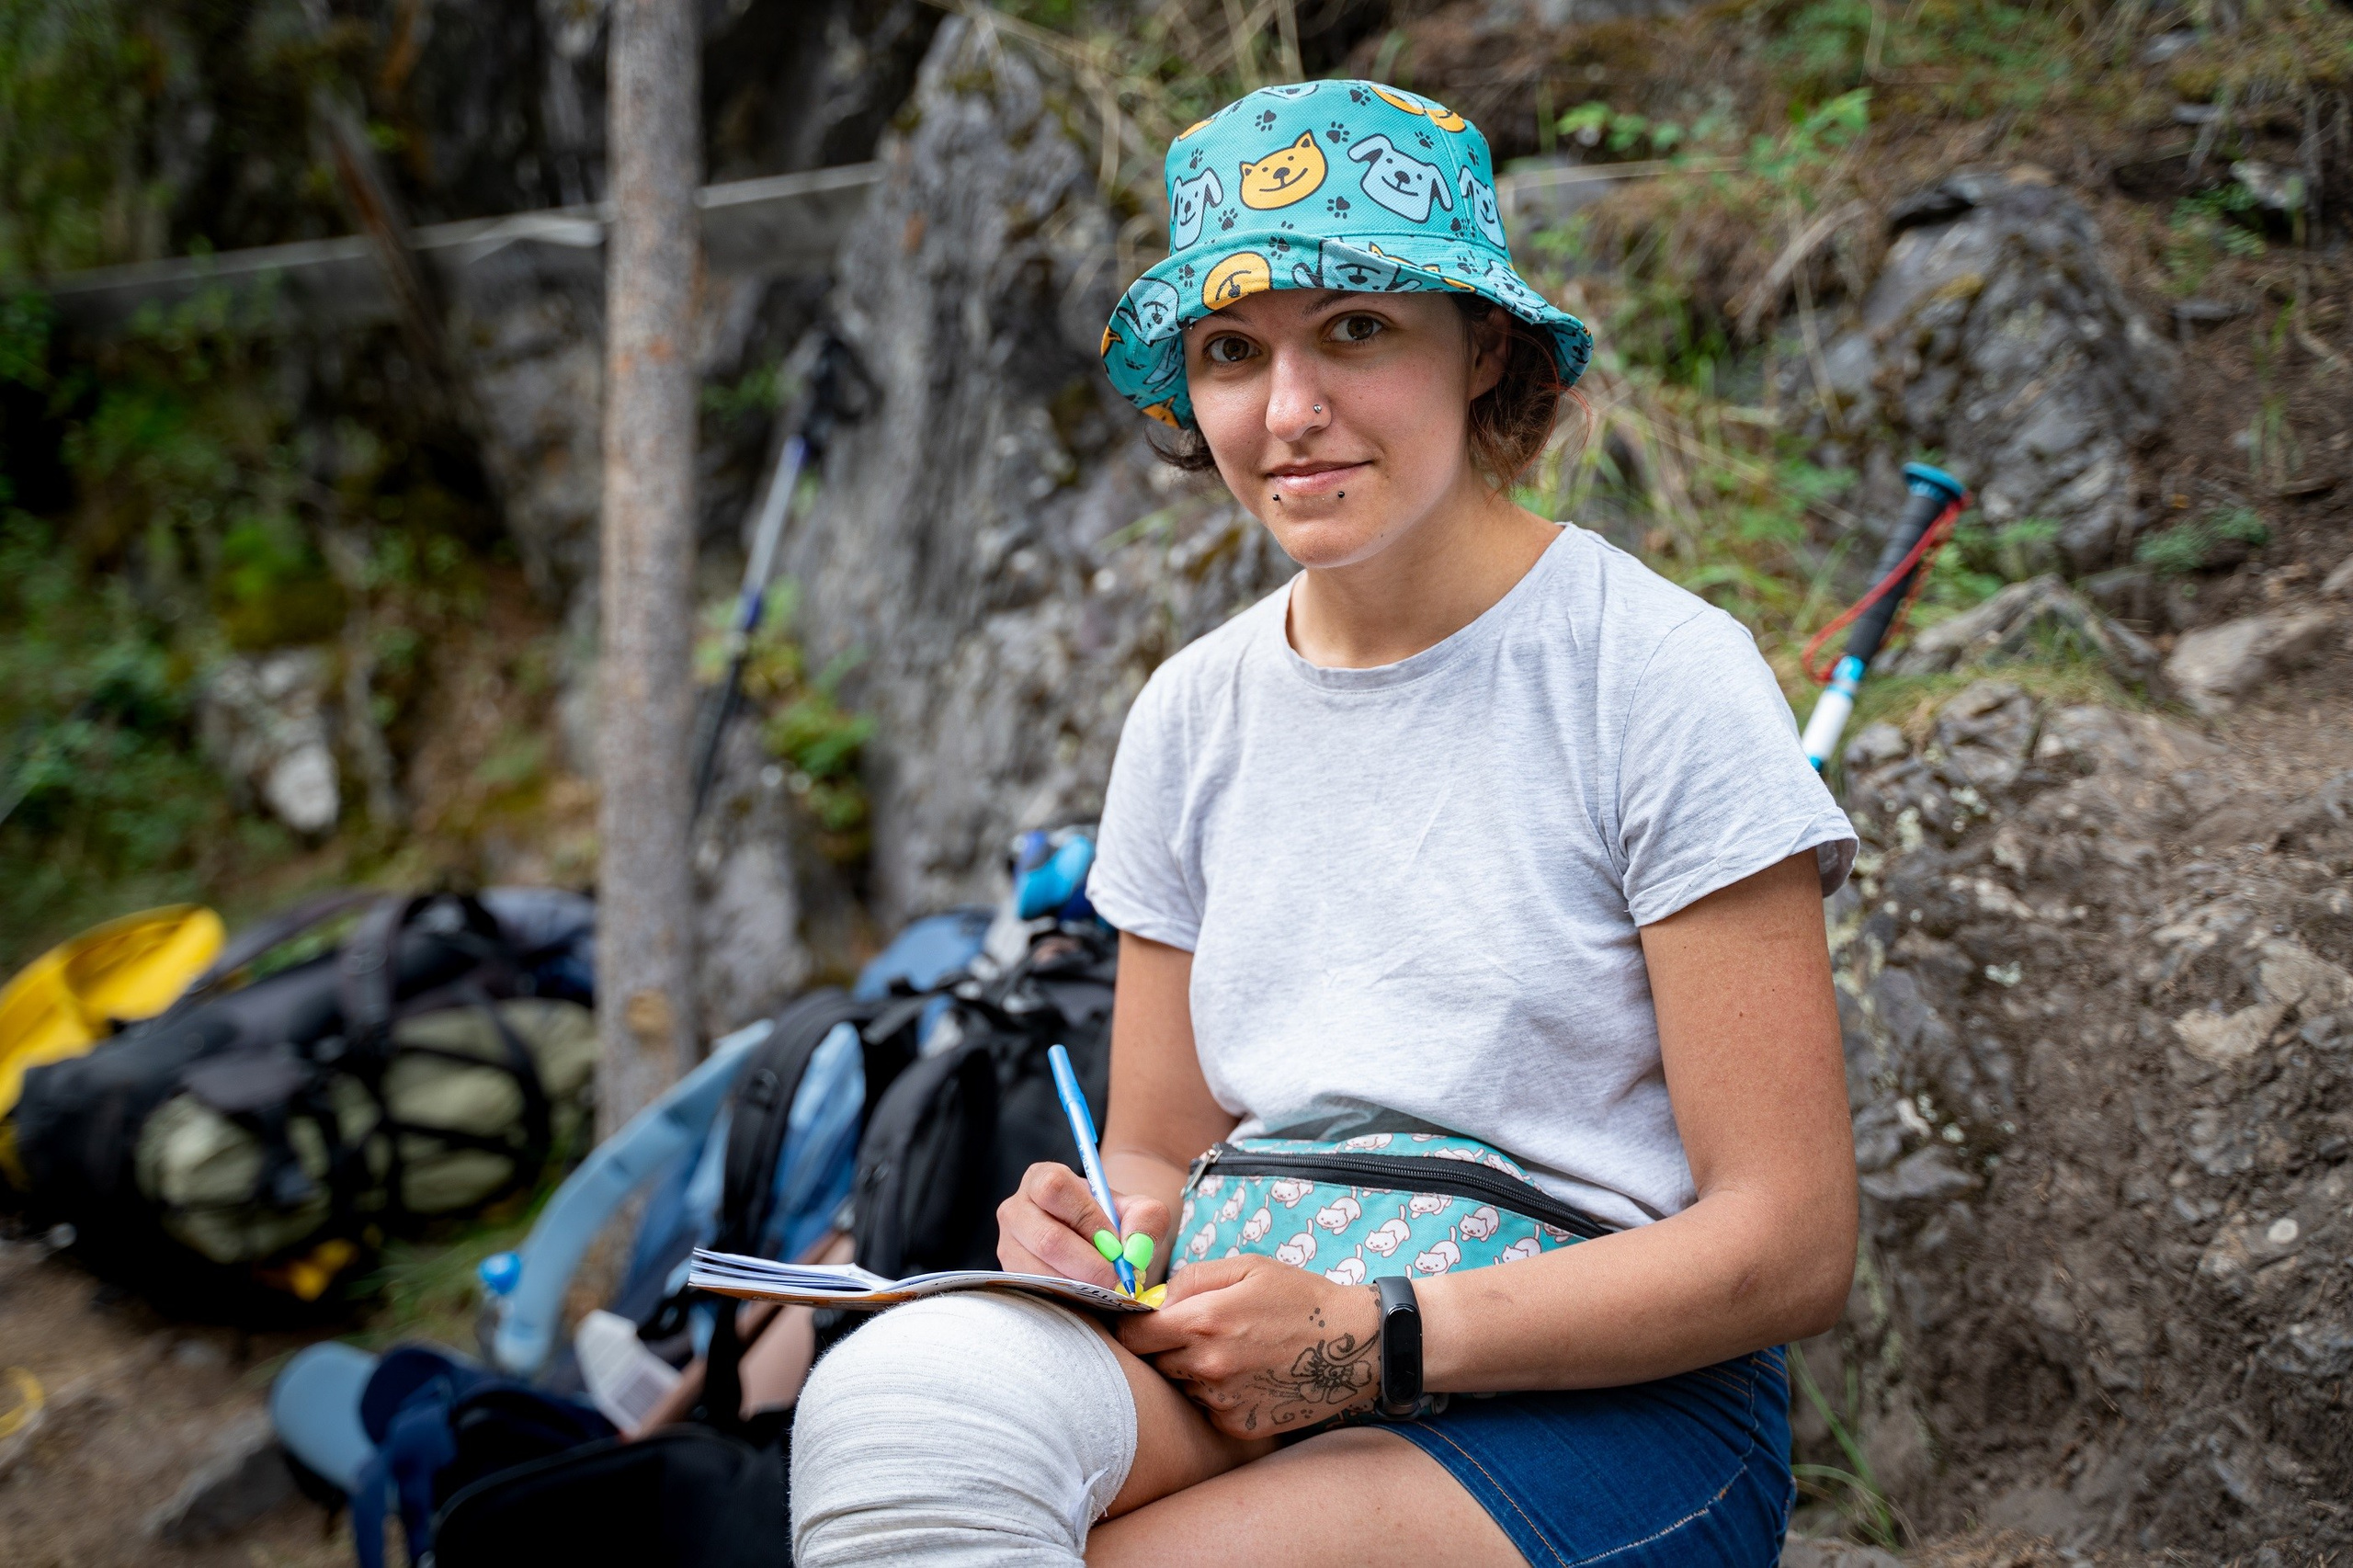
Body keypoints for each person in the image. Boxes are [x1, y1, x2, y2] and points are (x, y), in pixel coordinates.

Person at [788, 78, 1859, 1567]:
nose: (1289, 413)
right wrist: (1106, 1228)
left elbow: (1791, 1240)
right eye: (1233, 353)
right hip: (1254, 1348)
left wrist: (1384, 1338)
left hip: (1591, 1397)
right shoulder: (1191, 713)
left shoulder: (1653, 673)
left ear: (1482, 347)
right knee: (901, 1413)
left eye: (1355, 327)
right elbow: (1160, 1151)